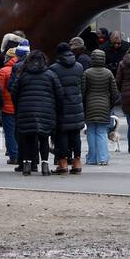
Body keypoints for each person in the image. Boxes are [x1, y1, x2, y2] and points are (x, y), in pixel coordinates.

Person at [9, 48, 58, 175]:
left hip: (26, 110)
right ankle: (45, 166)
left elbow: (14, 92)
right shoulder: (50, 74)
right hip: (45, 111)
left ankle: (26, 165)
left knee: (28, 138)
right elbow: (59, 93)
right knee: (44, 139)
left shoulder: (23, 75)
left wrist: (19, 106)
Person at [48, 43, 85, 174]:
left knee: (61, 135)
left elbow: (52, 90)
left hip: (61, 107)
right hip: (77, 106)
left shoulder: (53, 69)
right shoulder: (79, 67)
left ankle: (63, 163)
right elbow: (82, 87)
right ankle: (77, 162)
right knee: (76, 134)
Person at [82, 49, 120, 165]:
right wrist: (110, 104)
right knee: (102, 132)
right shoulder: (108, 73)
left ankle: (92, 158)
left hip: (90, 106)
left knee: (91, 132)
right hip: (104, 106)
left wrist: (84, 105)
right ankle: (103, 158)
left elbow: (82, 91)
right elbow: (114, 93)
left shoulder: (86, 73)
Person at [0, 46, 21, 165]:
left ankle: (14, 155)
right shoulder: (22, 68)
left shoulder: (3, 71)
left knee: (10, 133)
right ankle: (21, 154)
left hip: (7, 107)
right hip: (20, 106)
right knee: (19, 131)